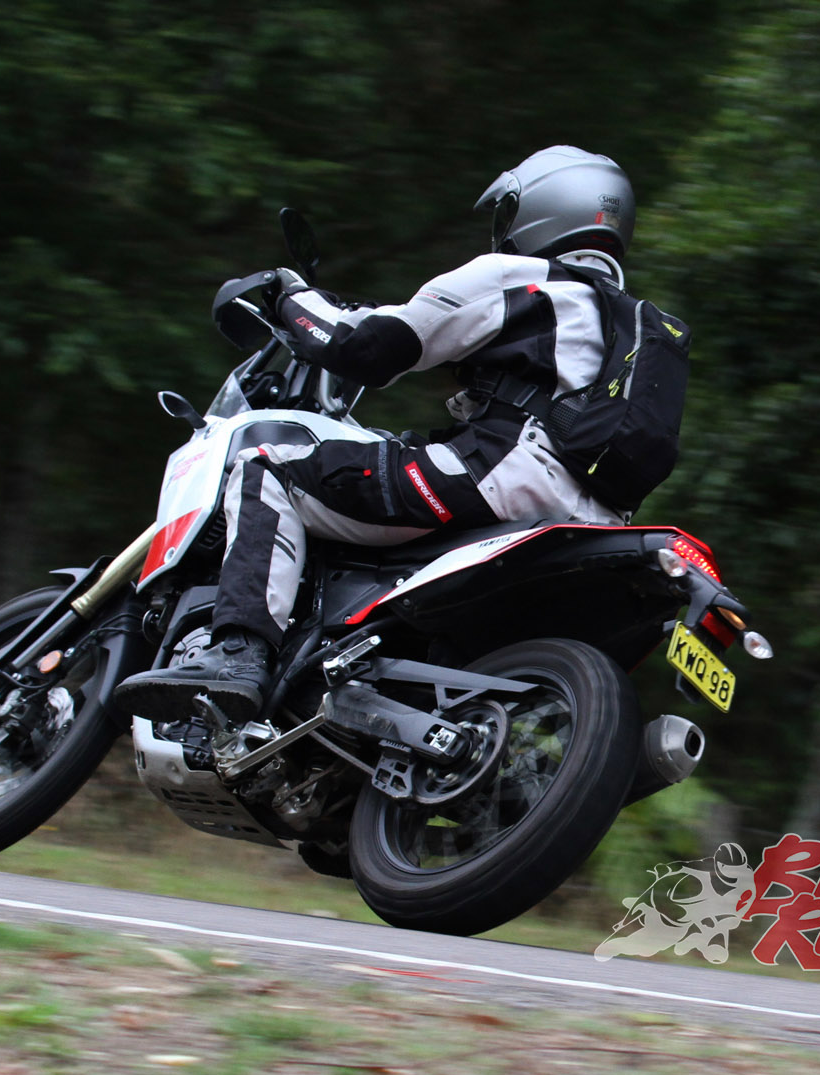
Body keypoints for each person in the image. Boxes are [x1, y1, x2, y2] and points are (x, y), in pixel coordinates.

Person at [115, 146, 637, 723]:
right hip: (595, 520)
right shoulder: (633, 323)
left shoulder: (521, 278)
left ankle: (238, 655)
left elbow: (366, 346)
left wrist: (287, 297)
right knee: (388, 460)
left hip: (499, 478)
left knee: (269, 470)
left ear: (541, 208)